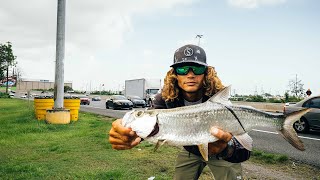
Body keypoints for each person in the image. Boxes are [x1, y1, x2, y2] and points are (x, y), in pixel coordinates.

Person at [109, 44, 251, 180]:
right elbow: (150, 125)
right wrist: (128, 133)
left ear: (206, 73)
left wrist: (227, 148)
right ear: (175, 74)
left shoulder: (219, 99)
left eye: (197, 69)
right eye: (182, 69)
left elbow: (244, 152)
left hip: (221, 153)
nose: (190, 75)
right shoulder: (165, 98)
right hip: (191, 150)